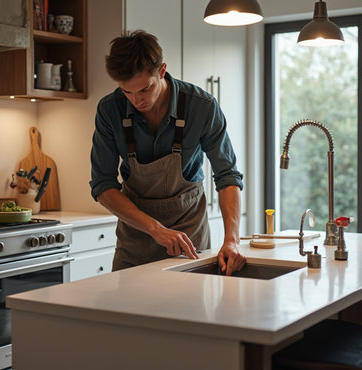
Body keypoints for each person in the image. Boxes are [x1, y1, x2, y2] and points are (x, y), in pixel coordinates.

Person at [90, 30, 246, 275]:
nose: (136, 101)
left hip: (189, 237)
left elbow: (227, 176)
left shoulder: (201, 106)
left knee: (186, 309)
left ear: (161, 71)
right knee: (126, 311)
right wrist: (155, 229)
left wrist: (232, 239)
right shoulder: (110, 110)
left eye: (144, 89)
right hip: (135, 238)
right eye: (126, 91)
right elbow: (103, 186)